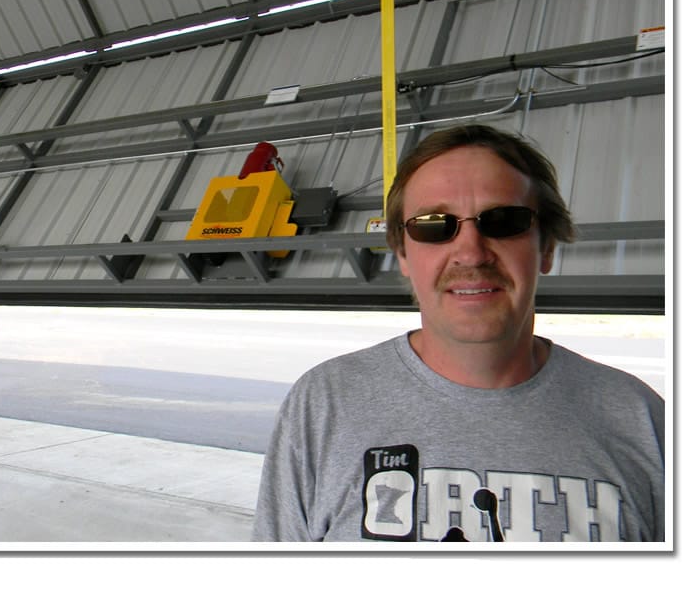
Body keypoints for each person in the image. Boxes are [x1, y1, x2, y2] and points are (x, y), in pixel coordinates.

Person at [252, 123, 664, 542]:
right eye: (434, 224)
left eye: (503, 220)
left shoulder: (643, 421)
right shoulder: (323, 404)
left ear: (546, 248)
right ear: (405, 256)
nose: (471, 252)